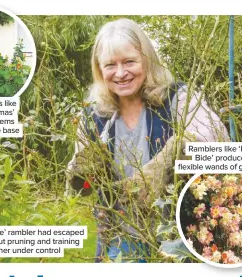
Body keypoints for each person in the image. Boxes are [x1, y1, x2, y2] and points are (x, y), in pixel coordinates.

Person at [66, 18, 229, 263]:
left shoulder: (179, 98)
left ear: (147, 59)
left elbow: (219, 143)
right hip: (122, 237)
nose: (121, 73)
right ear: (99, 69)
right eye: (110, 65)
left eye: (130, 61)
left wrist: (165, 163)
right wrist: (80, 175)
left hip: (181, 232)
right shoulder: (93, 116)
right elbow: (79, 191)